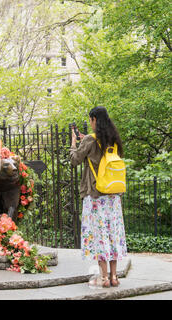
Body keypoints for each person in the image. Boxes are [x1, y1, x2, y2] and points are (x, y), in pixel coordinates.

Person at [70, 106, 127, 288]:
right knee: (112, 235)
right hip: (113, 196)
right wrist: (84, 139)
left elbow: (75, 160)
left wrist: (73, 143)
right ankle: (114, 277)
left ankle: (103, 278)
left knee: (100, 236)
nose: (90, 123)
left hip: (95, 197)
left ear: (94, 119)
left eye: (90, 120)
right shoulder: (113, 140)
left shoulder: (89, 140)